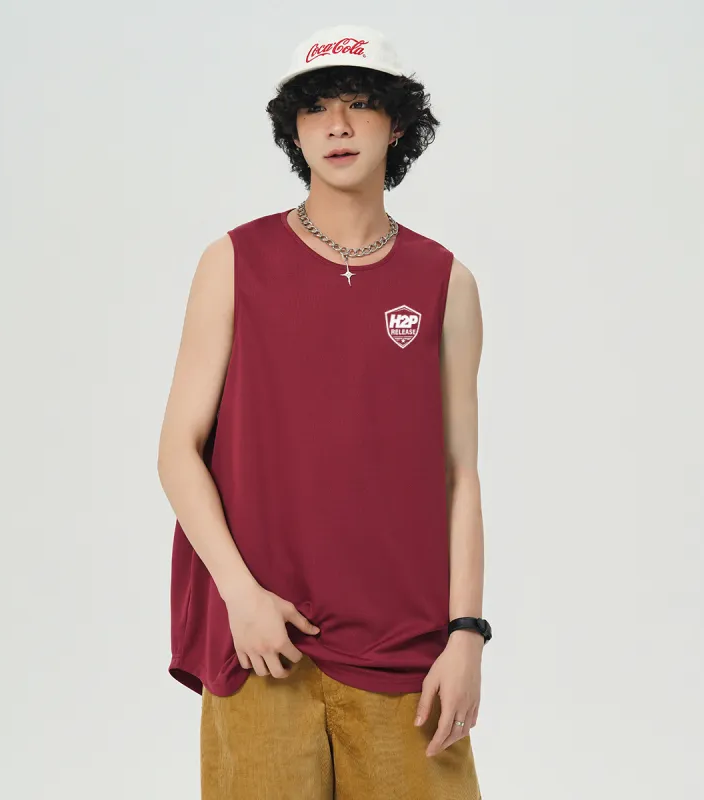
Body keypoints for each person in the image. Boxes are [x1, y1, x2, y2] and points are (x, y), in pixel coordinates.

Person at [157, 23, 490, 799]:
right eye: (316, 108)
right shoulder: (234, 261)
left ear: (397, 124)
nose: (337, 126)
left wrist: (467, 634)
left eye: (359, 103)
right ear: (295, 129)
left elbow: (460, 474)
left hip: (408, 651)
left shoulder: (446, 281)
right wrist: (240, 596)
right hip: (263, 643)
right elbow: (178, 449)